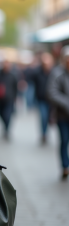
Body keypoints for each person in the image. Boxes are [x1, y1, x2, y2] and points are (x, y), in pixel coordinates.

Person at [47, 46, 69, 179]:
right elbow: (51, 92)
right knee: (64, 140)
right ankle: (65, 166)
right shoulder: (57, 73)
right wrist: (66, 104)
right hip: (62, 115)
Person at [25, 52, 54, 144]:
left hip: (52, 100)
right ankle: (44, 134)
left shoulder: (54, 72)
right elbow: (29, 78)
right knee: (43, 116)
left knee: (50, 117)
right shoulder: (37, 71)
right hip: (41, 98)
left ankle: (45, 132)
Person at [0, 59, 18, 140]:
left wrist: (16, 97)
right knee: (0, 114)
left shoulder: (13, 75)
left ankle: (7, 130)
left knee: (7, 115)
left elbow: (16, 87)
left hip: (9, 98)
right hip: (1, 99)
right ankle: (5, 127)